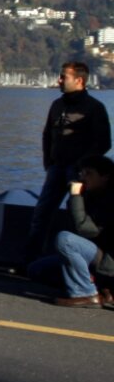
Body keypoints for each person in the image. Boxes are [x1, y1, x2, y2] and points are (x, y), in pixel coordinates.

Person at [24, 61, 111, 262]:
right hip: (56, 168)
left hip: (79, 172)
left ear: (79, 80)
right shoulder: (57, 105)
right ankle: (30, 261)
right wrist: (48, 162)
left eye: (64, 77)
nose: (59, 80)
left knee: (77, 217)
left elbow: (104, 142)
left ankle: (76, 264)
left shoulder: (94, 108)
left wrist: (83, 167)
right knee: (41, 214)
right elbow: (47, 135)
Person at [27, 154, 114, 307]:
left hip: (108, 260)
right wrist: (77, 198)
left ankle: (87, 293)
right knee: (36, 269)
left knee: (65, 240)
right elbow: (74, 226)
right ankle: (101, 289)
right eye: (81, 173)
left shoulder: (110, 199)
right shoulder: (89, 195)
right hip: (93, 254)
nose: (83, 177)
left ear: (105, 177)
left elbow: (87, 231)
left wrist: (75, 196)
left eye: (89, 173)